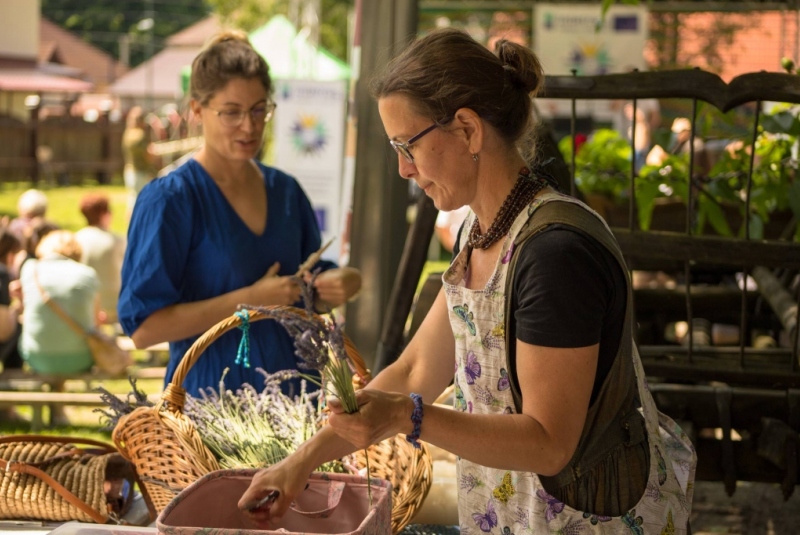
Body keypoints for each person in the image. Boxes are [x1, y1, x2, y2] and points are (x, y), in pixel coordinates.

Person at [240, 29, 696, 534]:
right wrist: (298, 464)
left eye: (406, 144)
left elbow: (549, 442)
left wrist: (407, 418)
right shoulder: (479, 235)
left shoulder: (554, 255)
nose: (401, 169)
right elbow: (415, 372)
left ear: (467, 130)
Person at [118, 31, 361, 397]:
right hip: (211, 408)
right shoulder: (170, 199)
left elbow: (304, 289)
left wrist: (340, 283)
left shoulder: (287, 192)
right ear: (197, 111)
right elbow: (144, 329)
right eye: (231, 112)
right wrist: (249, 301)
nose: (249, 126)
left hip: (297, 402)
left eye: (259, 109)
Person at [75, 193, 126, 324]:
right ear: (105, 214)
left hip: (84, 307)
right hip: (114, 309)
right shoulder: (118, 241)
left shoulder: (75, 240)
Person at [121, 106, 159, 218]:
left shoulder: (127, 133)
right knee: (142, 201)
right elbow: (148, 155)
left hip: (129, 171)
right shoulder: (140, 136)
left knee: (132, 200)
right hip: (140, 172)